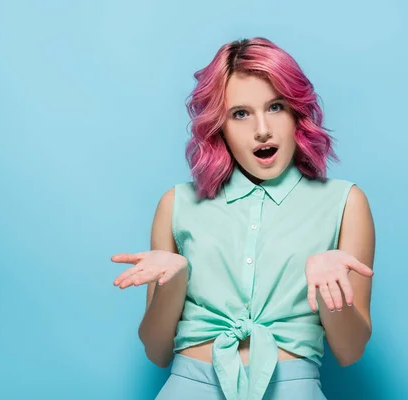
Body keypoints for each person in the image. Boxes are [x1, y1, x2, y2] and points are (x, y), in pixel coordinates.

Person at [111, 37, 375, 400]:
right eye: (240, 113)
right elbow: (157, 352)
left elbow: (351, 351)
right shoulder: (177, 204)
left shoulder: (345, 202)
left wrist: (329, 291)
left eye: (276, 107)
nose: (262, 129)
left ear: (297, 112)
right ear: (219, 126)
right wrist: (174, 282)